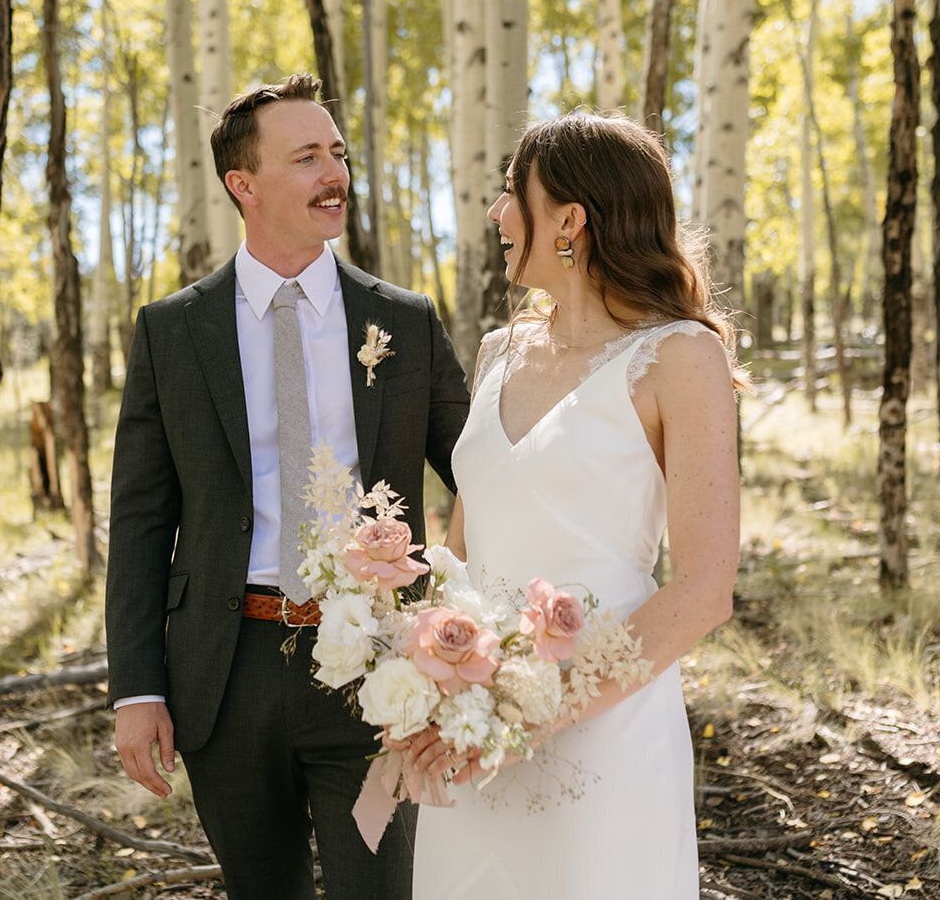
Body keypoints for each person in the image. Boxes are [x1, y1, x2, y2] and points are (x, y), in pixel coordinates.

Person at [105, 73, 470, 899]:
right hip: (223, 674)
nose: (333, 173)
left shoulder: (402, 321)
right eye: (306, 157)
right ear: (245, 184)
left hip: (376, 678)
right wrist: (136, 687)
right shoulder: (173, 330)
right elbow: (139, 519)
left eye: (336, 153)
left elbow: (478, 471)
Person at [407, 112, 744, 898]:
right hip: (474, 728)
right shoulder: (498, 350)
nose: (495, 215)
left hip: (607, 732)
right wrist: (431, 679)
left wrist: (527, 714)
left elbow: (703, 591)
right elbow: (462, 550)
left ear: (569, 219)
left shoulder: (680, 356)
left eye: (508, 193)